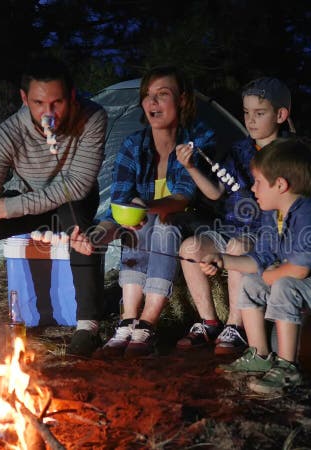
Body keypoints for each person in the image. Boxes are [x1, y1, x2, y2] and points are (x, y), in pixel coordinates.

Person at [0, 56, 107, 357]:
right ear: (24, 99)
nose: (49, 113)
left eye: (57, 103)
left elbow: (78, 184)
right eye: (38, 103)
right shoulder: (6, 135)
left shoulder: (92, 118)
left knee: (78, 226)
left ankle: (88, 326)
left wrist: (14, 206)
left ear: (71, 96)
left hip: (73, 201)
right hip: (30, 199)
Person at [200, 138, 311, 394]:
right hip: (308, 288)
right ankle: (259, 354)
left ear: (280, 185)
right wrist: (222, 261)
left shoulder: (310, 214)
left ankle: (288, 366)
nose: (253, 188)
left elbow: (299, 270)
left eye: (258, 182)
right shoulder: (272, 215)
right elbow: (259, 259)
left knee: (283, 284)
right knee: (249, 282)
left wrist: (270, 276)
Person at [81, 66, 215, 358]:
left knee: (162, 223)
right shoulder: (134, 145)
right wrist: (100, 232)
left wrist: (147, 208)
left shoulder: (196, 141)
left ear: (182, 100)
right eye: (147, 96)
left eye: (162, 95)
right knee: (135, 226)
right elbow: (119, 200)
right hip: (145, 224)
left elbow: (183, 196)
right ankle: (128, 319)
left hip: (190, 222)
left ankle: (148, 323)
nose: (152, 103)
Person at [175, 77, 294, 355]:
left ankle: (236, 326)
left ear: (281, 115)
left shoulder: (292, 152)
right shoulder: (240, 149)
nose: (250, 120)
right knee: (189, 247)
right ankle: (209, 321)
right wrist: (192, 167)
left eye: (259, 113)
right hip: (231, 226)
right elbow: (217, 191)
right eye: (246, 113)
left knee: (238, 248)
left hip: (267, 233)